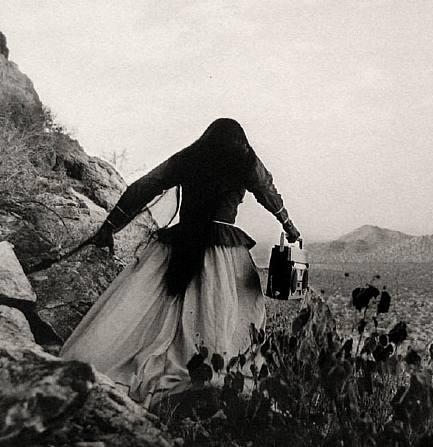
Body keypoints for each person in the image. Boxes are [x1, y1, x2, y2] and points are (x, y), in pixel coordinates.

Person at [60, 118, 300, 407]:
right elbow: (267, 192)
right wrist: (289, 226)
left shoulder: (191, 156)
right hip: (222, 250)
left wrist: (111, 226)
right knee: (222, 313)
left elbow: (146, 186)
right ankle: (209, 373)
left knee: (156, 307)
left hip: (181, 243)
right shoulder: (245, 159)